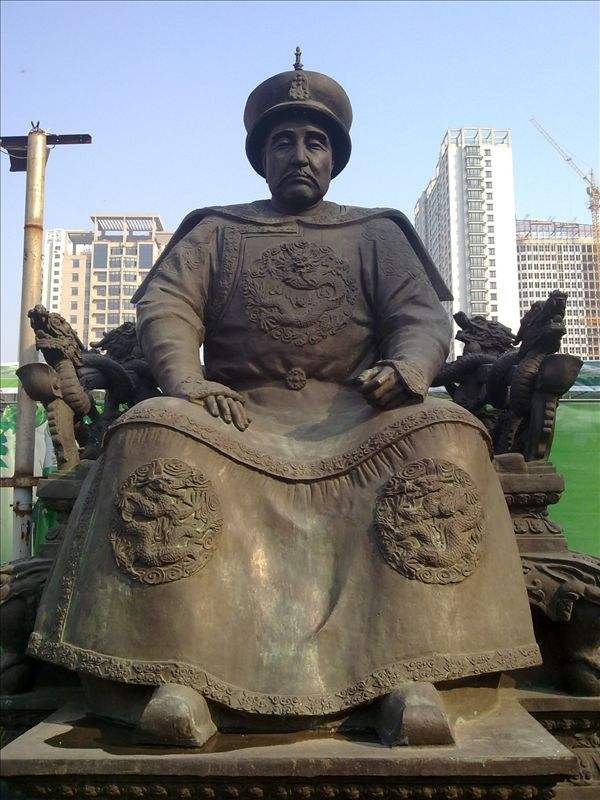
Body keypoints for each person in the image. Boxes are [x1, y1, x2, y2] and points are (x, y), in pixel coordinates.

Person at [30, 52, 540, 746]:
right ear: (261, 157)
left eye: (315, 142)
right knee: (152, 427)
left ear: (335, 158)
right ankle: (178, 674)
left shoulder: (378, 233)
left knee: (446, 429)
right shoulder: (215, 230)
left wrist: (406, 370)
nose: (300, 155)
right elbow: (168, 308)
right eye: (283, 142)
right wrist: (189, 383)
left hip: (359, 414)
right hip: (236, 413)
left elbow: (422, 318)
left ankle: (411, 672)